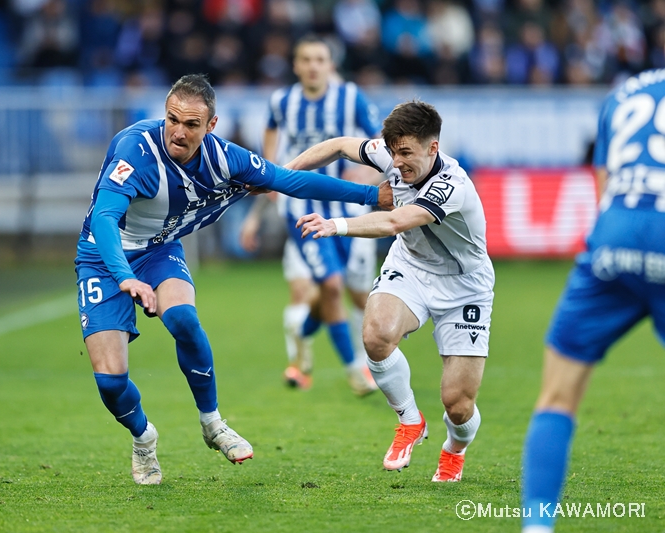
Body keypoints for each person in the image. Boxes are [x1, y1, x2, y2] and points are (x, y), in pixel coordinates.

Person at [75, 73, 392, 485]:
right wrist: (124, 277)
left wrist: (371, 196)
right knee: (110, 381)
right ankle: (143, 438)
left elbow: (289, 180)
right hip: (103, 256)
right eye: (172, 119)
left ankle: (213, 424)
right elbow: (103, 218)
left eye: (192, 124)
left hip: (158, 249)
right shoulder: (135, 149)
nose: (179, 131)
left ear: (211, 126)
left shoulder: (225, 158)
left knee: (184, 320)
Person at [293, 100, 494, 482]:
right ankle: (410, 420)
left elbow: (396, 220)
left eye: (406, 153)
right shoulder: (391, 155)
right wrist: (281, 174)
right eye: (393, 152)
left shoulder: (451, 185)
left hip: (465, 286)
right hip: (411, 267)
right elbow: (337, 145)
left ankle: (454, 449)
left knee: (458, 405)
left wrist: (335, 224)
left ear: (432, 148)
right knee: (375, 335)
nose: (397, 163)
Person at [520, 70, 665, 532]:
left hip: (613, 237)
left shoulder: (624, 92)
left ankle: (537, 526)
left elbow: (604, 186)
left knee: (557, 396)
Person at [239, 34, 381, 395]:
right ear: (296, 65)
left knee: (341, 292)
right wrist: (271, 172)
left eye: (320, 59)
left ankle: (302, 337)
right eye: (306, 59)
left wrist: (367, 172)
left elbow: (380, 142)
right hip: (301, 210)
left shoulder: (350, 97)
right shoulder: (282, 100)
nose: (313, 66)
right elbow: (270, 133)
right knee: (331, 285)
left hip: (347, 211)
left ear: (330, 65)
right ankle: (356, 372)